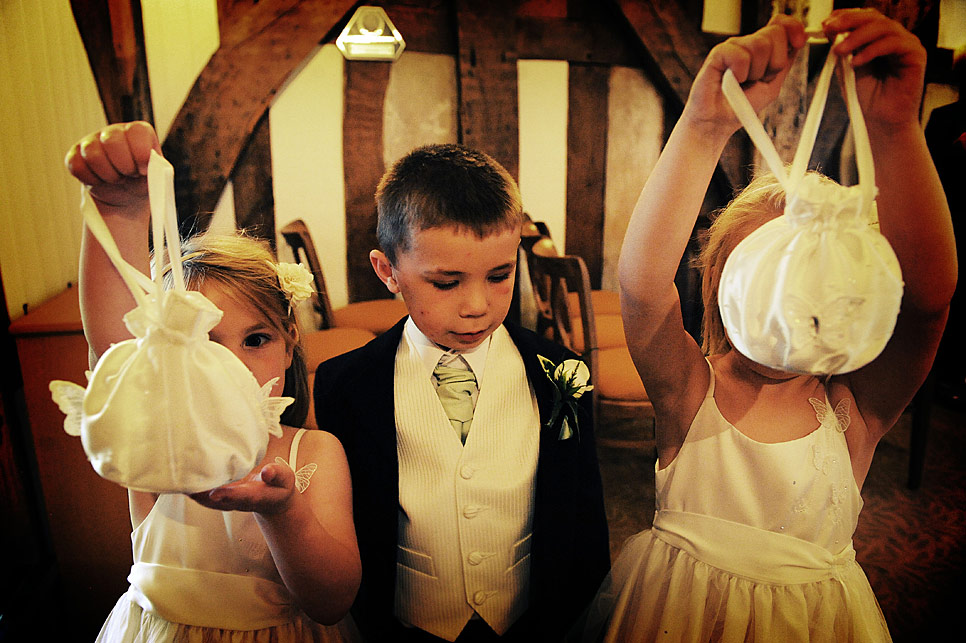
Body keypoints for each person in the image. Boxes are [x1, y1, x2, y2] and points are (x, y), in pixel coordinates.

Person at [578, 8, 957, 642]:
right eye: (759, 282)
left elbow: (926, 304)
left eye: (809, 287)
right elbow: (642, 290)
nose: (783, 310)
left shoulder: (852, 411)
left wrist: (894, 129)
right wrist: (703, 126)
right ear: (716, 284)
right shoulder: (690, 392)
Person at [64, 121, 362, 642]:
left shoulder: (316, 454)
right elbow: (113, 342)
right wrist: (118, 210)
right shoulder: (161, 447)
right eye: (205, 344)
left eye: (256, 340)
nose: (234, 365)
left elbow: (332, 602)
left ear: (289, 343)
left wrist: (283, 511)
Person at [313, 143, 611, 642]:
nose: (477, 306)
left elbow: (583, 508)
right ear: (388, 271)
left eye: (500, 276)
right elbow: (353, 521)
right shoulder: (347, 382)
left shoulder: (561, 371)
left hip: (531, 621)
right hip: (405, 623)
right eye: (446, 283)